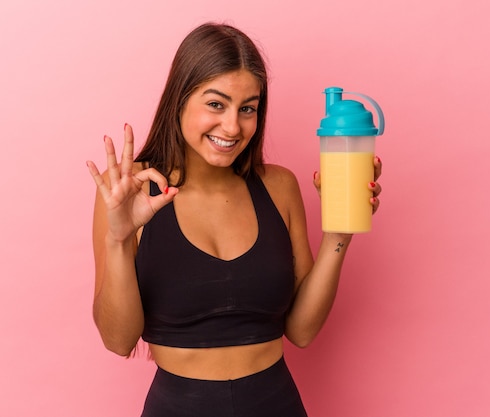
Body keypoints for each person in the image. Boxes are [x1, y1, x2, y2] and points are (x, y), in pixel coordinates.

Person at [86, 22, 382, 417]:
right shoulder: (131, 188)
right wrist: (120, 239)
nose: (232, 127)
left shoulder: (278, 186)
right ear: (180, 98)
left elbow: (302, 331)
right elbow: (118, 340)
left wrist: (338, 234)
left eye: (248, 109)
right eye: (215, 104)